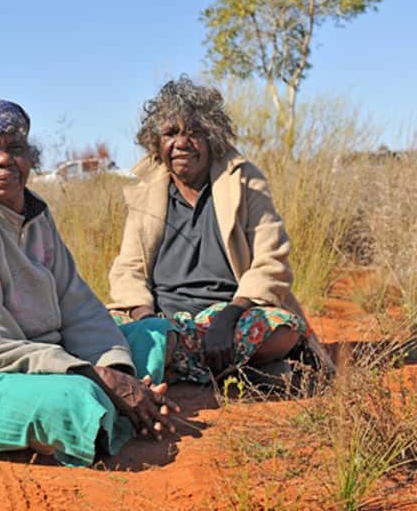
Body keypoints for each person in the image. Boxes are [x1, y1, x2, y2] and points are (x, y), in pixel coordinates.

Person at [0, 98, 180, 467]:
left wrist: (118, 372)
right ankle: (110, 411)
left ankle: (121, 404)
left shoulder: (35, 212)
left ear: (30, 158)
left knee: (154, 333)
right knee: (76, 401)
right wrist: (101, 380)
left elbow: (78, 306)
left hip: (37, 353)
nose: (4, 159)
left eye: (15, 148)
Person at [108, 76, 333, 387]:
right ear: (156, 142)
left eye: (194, 132)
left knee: (280, 330)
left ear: (212, 137)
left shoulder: (244, 181)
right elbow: (128, 270)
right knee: (101, 330)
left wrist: (228, 318)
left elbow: (272, 261)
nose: (181, 143)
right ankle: (244, 373)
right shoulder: (147, 193)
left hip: (231, 315)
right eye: (170, 133)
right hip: (163, 319)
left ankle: (176, 366)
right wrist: (149, 324)